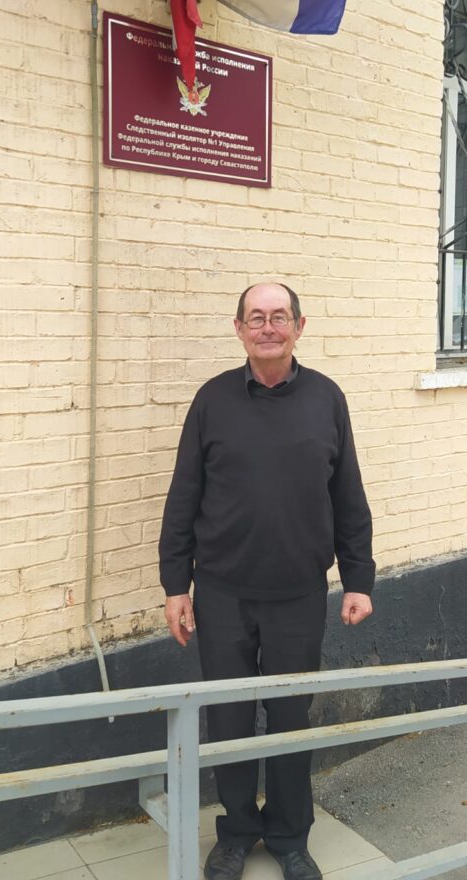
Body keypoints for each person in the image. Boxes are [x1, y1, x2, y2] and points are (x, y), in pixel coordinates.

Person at [159, 282, 374, 880]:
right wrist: (176, 585)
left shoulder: (327, 398)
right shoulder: (213, 400)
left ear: (299, 327)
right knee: (227, 720)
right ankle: (236, 832)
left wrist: (358, 578)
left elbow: (348, 494)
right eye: (256, 318)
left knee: (289, 717)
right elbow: (184, 496)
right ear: (239, 329)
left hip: (298, 594)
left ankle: (288, 835)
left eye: (279, 317)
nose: (268, 327)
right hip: (222, 593)